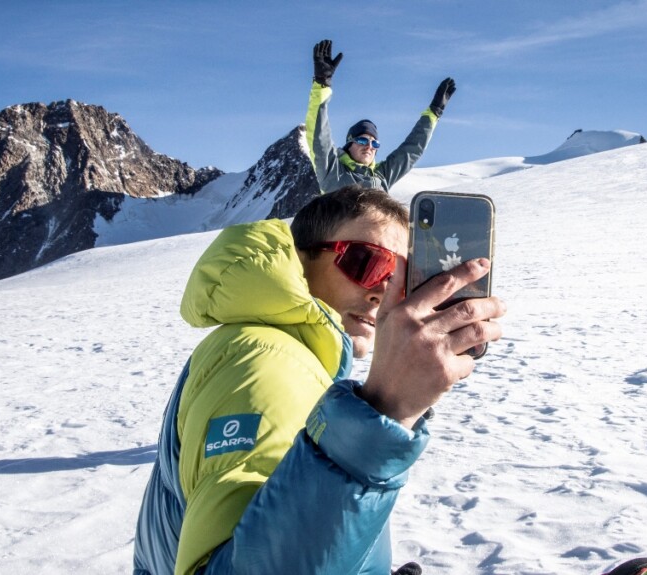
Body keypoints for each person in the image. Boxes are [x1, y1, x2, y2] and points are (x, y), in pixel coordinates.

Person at [133, 185, 505, 575]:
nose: (382, 292)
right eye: (366, 262)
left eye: (398, 277)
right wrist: (384, 409)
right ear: (302, 258)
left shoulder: (280, 353)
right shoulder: (266, 361)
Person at [305, 39, 456, 194]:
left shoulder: (382, 176)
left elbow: (412, 150)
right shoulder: (332, 171)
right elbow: (319, 135)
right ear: (349, 144)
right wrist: (322, 84)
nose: (369, 146)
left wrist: (434, 112)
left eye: (375, 143)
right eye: (363, 140)